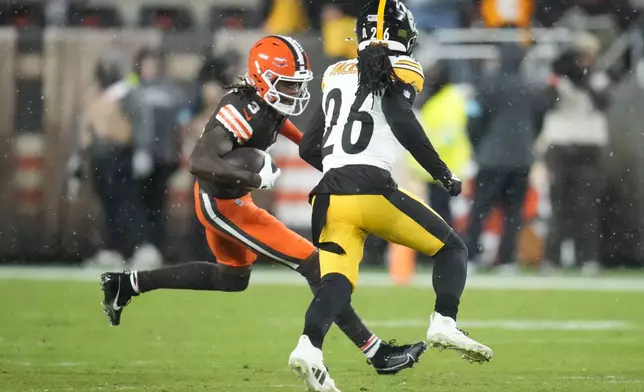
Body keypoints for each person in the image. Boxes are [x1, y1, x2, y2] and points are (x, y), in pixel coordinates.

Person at [99, 35, 426, 377]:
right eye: (287, 84)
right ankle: (377, 353)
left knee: (232, 278)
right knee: (315, 265)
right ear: (263, 78)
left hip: (230, 197)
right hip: (224, 205)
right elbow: (197, 162)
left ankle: (129, 283)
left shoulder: (268, 105)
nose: (295, 93)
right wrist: (253, 178)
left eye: (297, 85)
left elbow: (297, 139)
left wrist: (340, 166)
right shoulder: (240, 110)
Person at [289, 2, 493, 390]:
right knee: (451, 249)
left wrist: (340, 171)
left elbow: (308, 147)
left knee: (336, 283)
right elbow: (399, 117)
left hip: (329, 196)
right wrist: (442, 172)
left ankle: (309, 346)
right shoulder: (404, 68)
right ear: (406, 35)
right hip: (371, 187)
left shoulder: (335, 72)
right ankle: (444, 322)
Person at [465, 41, 551, 274]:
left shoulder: (488, 83)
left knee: (480, 209)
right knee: (513, 211)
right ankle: (507, 259)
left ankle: (471, 254)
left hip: (491, 157)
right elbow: (540, 119)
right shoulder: (532, 86)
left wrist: (479, 146)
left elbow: (474, 120)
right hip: (521, 158)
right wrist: (527, 142)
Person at [69, 50, 145, 268]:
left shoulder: (128, 94)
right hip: (99, 159)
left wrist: (142, 151)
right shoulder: (94, 96)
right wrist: (77, 158)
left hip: (120, 157)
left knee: (123, 205)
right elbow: (85, 129)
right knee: (107, 205)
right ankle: (111, 248)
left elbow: (139, 124)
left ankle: (126, 249)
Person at [124, 48, 185, 269]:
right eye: (145, 64)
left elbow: (179, 123)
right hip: (140, 155)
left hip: (164, 157)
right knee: (138, 202)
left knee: (157, 204)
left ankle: (154, 247)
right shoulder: (132, 89)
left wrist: (177, 153)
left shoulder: (170, 92)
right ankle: (142, 245)